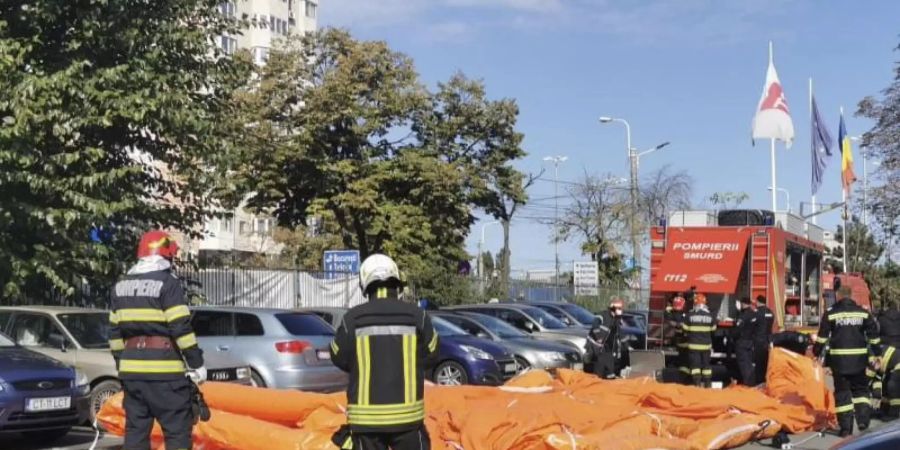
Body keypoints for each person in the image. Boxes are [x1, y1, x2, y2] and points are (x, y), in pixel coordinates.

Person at [329, 254, 439, 450]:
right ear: (396, 281)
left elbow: (338, 356)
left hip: (366, 422)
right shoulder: (418, 316)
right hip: (409, 421)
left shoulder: (352, 318)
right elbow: (432, 353)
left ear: (365, 283)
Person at [108, 230, 206, 450]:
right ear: (166, 255)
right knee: (177, 433)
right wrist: (196, 362)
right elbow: (180, 326)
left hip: (132, 373)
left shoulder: (120, 286)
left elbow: (114, 334)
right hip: (166, 374)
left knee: (135, 433)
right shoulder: (168, 283)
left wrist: (122, 364)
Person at [813, 286, 881, 437]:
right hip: (859, 362)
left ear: (838, 296)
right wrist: (877, 354)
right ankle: (863, 421)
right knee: (861, 392)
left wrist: (816, 352)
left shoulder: (830, 314)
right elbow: (873, 336)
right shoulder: (863, 313)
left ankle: (845, 429)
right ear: (851, 296)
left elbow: (822, 338)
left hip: (839, 363)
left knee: (843, 394)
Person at [683, 293, 716, 387]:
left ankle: (697, 384)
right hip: (706, 346)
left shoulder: (690, 315)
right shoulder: (710, 316)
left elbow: (685, 329)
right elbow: (713, 330)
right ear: (705, 303)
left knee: (695, 366)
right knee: (706, 366)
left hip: (693, 346)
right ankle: (707, 384)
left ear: (695, 303)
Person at [599, 298, 631, 377]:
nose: (620, 311)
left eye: (621, 309)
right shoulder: (606, 319)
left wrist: (628, 348)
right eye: (618, 309)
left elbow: (621, 336)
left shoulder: (616, 320)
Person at [733, 297, 758, 386]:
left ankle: (748, 384)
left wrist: (732, 336)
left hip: (742, 342)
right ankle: (751, 382)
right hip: (750, 342)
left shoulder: (743, 315)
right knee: (749, 364)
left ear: (743, 304)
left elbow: (738, 329)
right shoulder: (754, 314)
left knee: (744, 365)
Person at [665, 295, 689, 383]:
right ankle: (683, 378)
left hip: (681, 342)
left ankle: (682, 377)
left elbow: (671, 322)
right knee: (685, 362)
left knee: (683, 361)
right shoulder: (683, 314)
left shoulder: (670, 312)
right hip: (684, 342)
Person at [754, 295, 775, 384]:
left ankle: (759, 382)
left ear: (758, 302)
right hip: (767, 340)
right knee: (766, 362)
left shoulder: (757, 313)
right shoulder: (770, 312)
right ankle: (765, 381)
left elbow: (753, 326)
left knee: (758, 363)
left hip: (759, 340)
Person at [876, 343, 900, 420]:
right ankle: (884, 409)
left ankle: (894, 413)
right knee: (886, 384)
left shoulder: (871, 351)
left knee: (892, 385)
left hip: (897, 364)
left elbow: (872, 373)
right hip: (893, 365)